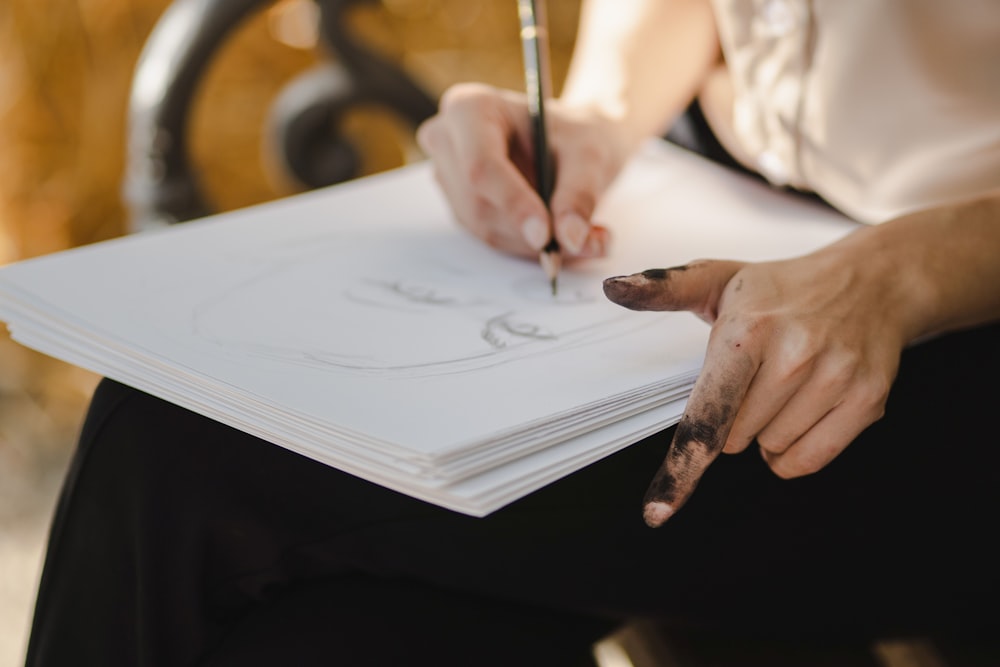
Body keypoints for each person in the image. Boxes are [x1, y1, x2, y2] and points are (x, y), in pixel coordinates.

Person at [25, 1, 1000, 665]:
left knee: (181, 440)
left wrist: (897, 274)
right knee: (340, 632)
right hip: (719, 198)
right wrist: (601, 113)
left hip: (955, 298)